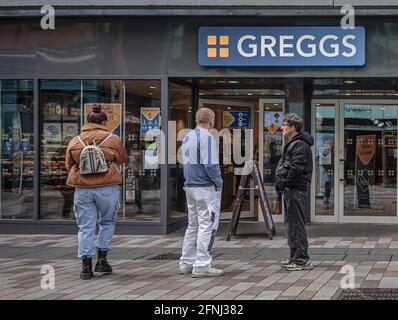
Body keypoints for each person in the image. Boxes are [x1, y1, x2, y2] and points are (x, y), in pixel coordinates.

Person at [65, 104, 128, 280]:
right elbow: (123, 158)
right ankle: (102, 260)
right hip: (107, 187)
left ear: (88, 121)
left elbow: (68, 165)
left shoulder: (75, 140)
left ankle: (86, 267)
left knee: (86, 227)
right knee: (107, 222)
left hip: (83, 189)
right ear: (104, 121)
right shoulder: (112, 138)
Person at [179, 107, 224, 278]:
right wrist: (219, 183)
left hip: (189, 185)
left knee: (193, 224)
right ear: (211, 121)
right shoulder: (208, 137)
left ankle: (186, 263)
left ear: (197, 120)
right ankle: (202, 264)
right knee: (206, 224)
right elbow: (211, 165)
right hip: (204, 187)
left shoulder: (187, 136)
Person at [275, 113, 314, 271]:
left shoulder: (300, 145)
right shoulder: (295, 143)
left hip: (295, 189)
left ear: (293, 127)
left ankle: (302, 260)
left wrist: (285, 184)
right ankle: (294, 257)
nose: (282, 128)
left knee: (296, 225)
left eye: (284, 125)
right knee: (291, 224)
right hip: (292, 188)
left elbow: (296, 168)